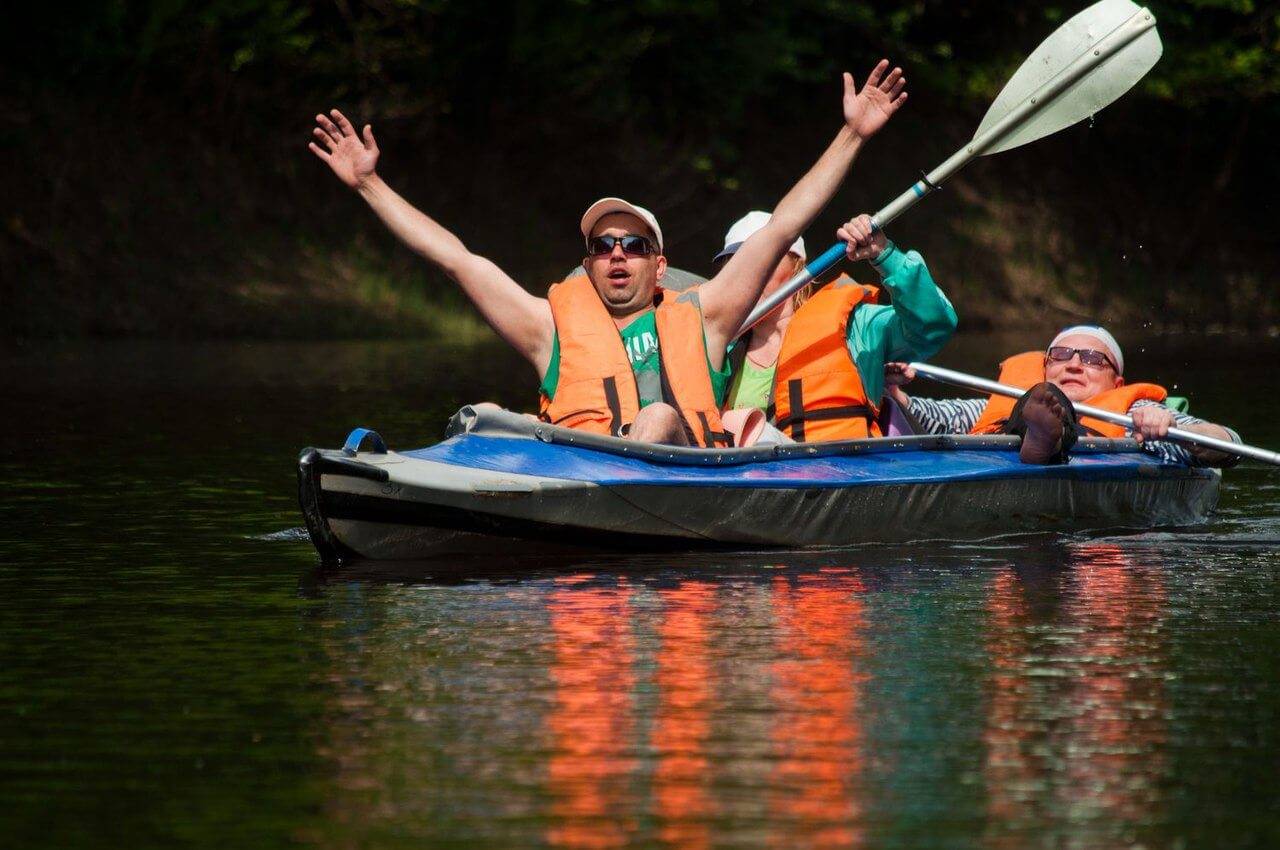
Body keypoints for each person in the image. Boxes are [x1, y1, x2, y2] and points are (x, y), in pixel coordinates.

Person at [309, 62, 908, 447]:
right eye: (602, 246)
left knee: (657, 419)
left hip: (677, 477)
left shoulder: (707, 316)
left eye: (634, 245)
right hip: (578, 476)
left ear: (658, 264)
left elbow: (782, 227)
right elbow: (456, 258)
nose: (617, 254)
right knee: (485, 413)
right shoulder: (550, 329)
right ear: (590, 262)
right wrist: (369, 185)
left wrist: (852, 134)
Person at [717, 211, 956, 443]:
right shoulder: (719, 348)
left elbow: (932, 326)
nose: (744, 272)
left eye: (758, 258)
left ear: (796, 267)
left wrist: (885, 256)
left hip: (838, 476)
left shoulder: (856, 329)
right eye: (733, 263)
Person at [884, 325, 1241, 466]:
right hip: (1022, 434)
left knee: (1042, 409)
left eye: (1090, 359)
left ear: (1116, 382)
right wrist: (892, 387)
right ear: (1046, 367)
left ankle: (1049, 440)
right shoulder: (1009, 401)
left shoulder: (1137, 408)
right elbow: (924, 416)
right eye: (1060, 356)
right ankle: (1041, 436)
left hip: (1094, 458)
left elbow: (1228, 443)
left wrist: (1168, 424)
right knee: (1034, 404)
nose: (1073, 365)